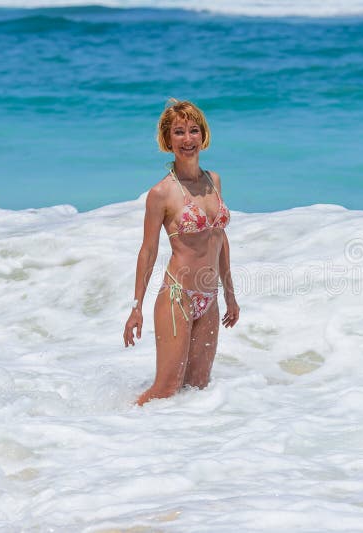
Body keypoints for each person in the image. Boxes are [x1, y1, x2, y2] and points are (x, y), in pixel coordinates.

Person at [123, 99, 240, 405]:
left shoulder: (213, 181)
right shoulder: (161, 193)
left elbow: (219, 239)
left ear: (203, 135)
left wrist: (230, 294)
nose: (188, 139)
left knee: (197, 390)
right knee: (165, 389)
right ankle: (118, 425)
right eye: (179, 132)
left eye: (193, 130)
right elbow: (148, 251)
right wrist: (136, 308)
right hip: (178, 298)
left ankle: (180, 450)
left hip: (209, 299)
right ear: (167, 139)